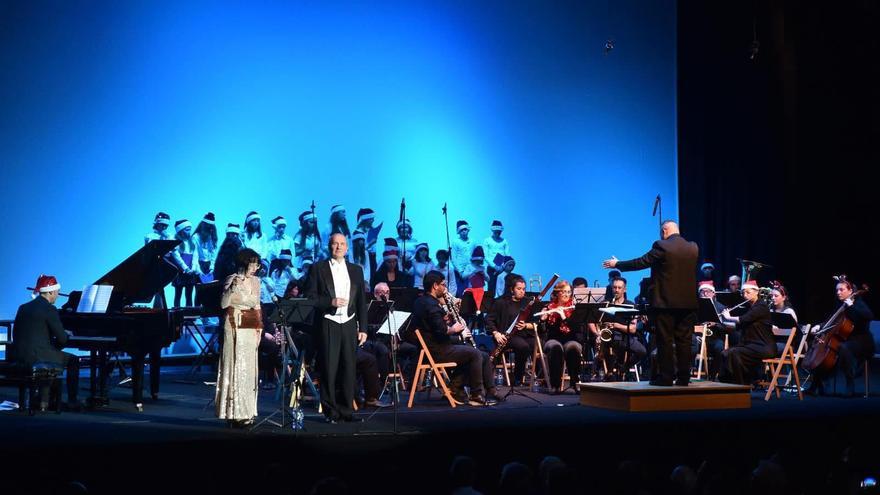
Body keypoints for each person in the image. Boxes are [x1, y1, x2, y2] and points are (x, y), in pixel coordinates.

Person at [604, 220, 699, 386]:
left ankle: (667, 377)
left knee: (665, 340)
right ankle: (684, 378)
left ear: (664, 231)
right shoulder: (693, 247)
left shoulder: (662, 246)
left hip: (665, 303)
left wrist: (617, 264)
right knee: (684, 341)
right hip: (688, 303)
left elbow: (641, 262)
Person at [305, 233, 369, 423]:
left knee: (349, 368)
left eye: (342, 244)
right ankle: (331, 412)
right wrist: (330, 301)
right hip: (328, 323)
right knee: (329, 368)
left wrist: (363, 328)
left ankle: (347, 410)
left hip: (349, 323)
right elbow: (310, 297)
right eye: (335, 244)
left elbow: (361, 302)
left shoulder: (356, 270)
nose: (338, 247)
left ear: (347, 248)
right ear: (329, 246)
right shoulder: (318, 268)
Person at [410, 270, 498, 405]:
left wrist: (444, 320)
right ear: (435, 286)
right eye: (443, 285)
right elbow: (440, 332)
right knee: (474, 354)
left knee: (482, 355)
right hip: (437, 350)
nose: (445, 288)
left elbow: (430, 325)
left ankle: (480, 390)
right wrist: (453, 329)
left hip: (433, 346)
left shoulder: (421, 301)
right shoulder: (432, 305)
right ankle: (476, 394)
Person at [10, 275, 80, 411]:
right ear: (50, 292)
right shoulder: (50, 309)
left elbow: (18, 333)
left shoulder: (23, 307)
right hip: (38, 357)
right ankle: (72, 401)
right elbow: (62, 339)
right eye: (57, 293)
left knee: (52, 354)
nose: (57, 296)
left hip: (19, 355)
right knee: (73, 360)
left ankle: (44, 400)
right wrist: (65, 334)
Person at [215, 248, 263, 427]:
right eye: (253, 264)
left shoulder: (257, 281)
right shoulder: (231, 279)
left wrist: (259, 328)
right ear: (244, 263)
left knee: (248, 370)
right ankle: (232, 412)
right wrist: (233, 287)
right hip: (233, 323)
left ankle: (247, 412)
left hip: (250, 324)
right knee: (234, 366)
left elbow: (257, 305)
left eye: (257, 265)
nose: (256, 268)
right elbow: (223, 304)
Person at [804, 276, 874, 398]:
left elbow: (869, 316)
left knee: (843, 348)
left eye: (841, 290)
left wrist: (852, 306)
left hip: (861, 341)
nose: (838, 292)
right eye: (837, 290)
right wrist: (819, 326)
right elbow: (831, 320)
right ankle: (816, 384)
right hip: (845, 340)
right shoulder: (840, 305)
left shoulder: (858, 302)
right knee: (823, 349)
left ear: (850, 291)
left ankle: (850, 384)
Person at [719, 278, 774, 385]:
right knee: (725, 353)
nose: (745, 295)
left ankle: (740, 384)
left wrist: (728, 317)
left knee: (734, 353)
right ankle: (728, 383)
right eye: (743, 292)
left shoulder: (761, 306)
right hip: (751, 345)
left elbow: (743, 319)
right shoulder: (751, 307)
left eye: (748, 292)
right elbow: (739, 325)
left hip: (764, 346)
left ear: (756, 292)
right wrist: (721, 322)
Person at [590, 277, 647, 380]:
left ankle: (624, 368)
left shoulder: (630, 305)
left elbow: (633, 329)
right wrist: (597, 333)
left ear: (624, 289)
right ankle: (609, 373)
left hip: (625, 336)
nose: (616, 290)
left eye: (619, 288)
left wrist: (616, 325)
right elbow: (590, 320)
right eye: (614, 287)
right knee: (612, 346)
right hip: (609, 338)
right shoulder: (605, 304)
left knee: (642, 351)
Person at [485, 274, 536, 386]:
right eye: (518, 289)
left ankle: (538, 379)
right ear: (511, 289)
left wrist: (526, 325)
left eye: (523, 289)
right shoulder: (501, 302)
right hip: (507, 336)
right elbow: (489, 319)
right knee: (523, 347)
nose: (522, 292)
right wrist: (496, 333)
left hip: (524, 334)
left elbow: (535, 321)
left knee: (537, 344)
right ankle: (517, 378)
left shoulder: (528, 302)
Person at [540, 280, 584, 393]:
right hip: (553, 339)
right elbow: (542, 331)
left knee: (573, 348)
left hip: (571, 338)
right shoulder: (549, 307)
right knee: (556, 348)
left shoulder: (574, 308)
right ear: (558, 293)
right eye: (564, 292)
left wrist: (564, 316)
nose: (566, 295)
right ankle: (555, 385)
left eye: (569, 292)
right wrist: (542, 320)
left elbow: (575, 328)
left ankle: (575, 383)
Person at [696, 281, 736, 379]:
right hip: (699, 337)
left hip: (715, 336)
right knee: (690, 345)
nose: (705, 294)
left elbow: (728, 327)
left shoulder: (721, 308)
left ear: (714, 293)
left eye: (708, 291)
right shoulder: (695, 306)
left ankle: (713, 375)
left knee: (719, 347)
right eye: (702, 292)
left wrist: (716, 324)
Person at [170, 219, 202, 307]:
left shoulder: (192, 242)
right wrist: (186, 268)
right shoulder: (175, 241)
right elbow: (177, 257)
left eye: (190, 229)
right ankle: (177, 315)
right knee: (178, 294)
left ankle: (190, 315)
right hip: (181, 271)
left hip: (190, 271)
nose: (189, 231)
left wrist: (194, 268)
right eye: (186, 229)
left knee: (189, 295)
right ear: (180, 230)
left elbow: (195, 256)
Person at [451, 220, 477, 288]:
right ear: (458, 232)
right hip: (459, 272)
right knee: (460, 292)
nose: (463, 231)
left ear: (468, 230)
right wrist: (460, 271)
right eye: (461, 230)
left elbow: (477, 255)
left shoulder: (473, 241)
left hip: (471, 270)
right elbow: (453, 258)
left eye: (465, 229)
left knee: (470, 292)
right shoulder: (455, 242)